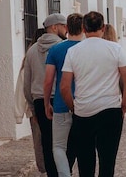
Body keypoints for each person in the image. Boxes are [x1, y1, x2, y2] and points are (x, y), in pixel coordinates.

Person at [60, 11, 126, 177]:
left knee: (85, 164)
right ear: (102, 28)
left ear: (84, 29)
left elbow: (64, 86)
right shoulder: (115, 49)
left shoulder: (73, 52)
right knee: (107, 162)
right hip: (110, 110)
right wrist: (124, 105)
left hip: (83, 111)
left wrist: (73, 107)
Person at [24, 13, 68, 177]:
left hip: (39, 100)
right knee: (64, 141)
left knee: (47, 141)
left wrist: (32, 109)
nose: (67, 29)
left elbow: (26, 83)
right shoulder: (63, 47)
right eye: (64, 26)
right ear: (55, 27)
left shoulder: (32, 50)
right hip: (59, 99)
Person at [43, 13, 84, 177]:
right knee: (83, 145)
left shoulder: (56, 49)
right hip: (83, 104)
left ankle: (64, 175)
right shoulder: (85, 49)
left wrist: (47, 103)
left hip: (61, 104)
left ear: (66, 28)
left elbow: (48, 81)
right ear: (83, 28)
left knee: (59, 146)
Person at [14, 28, 46, 175]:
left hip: (34, 110)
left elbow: (22, 87)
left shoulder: (29, 60)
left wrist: (19, 113)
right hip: (46, 107)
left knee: (39, 143)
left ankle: (45, 168)